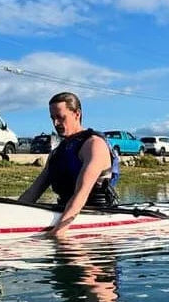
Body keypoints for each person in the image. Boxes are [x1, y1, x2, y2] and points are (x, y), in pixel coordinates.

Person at [18, 91, 117, 237]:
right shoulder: (57, 152)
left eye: (60, 117)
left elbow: (81, 193)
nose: (56, 123)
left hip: (96, 216)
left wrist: (59, 231)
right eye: (53, 118)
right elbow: (33, 192)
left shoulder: (94, 145)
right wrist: (13, 212)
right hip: (62, 209)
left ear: (77, 114)